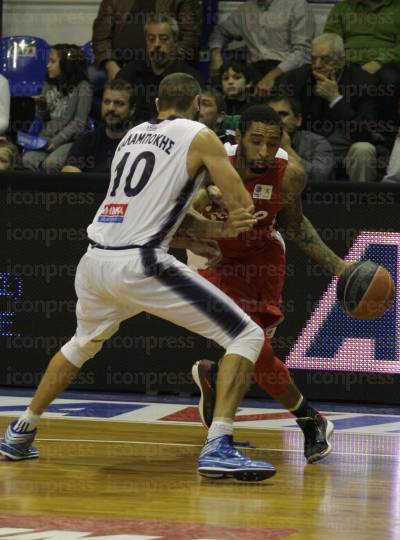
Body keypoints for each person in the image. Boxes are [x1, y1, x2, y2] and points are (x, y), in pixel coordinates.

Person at [0, 73, 276, 482]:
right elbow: (241, 203)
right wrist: (236, 219)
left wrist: (207, 231)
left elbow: (156, 208)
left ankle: (20, 431)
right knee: (246, 336)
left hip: (94, 261)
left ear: (157, 104)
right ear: (199, 103)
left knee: (81, 344)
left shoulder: (130, 137)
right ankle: (219, 445)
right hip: (140, 263)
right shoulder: (201, 135)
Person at [189, 104, 347, 463]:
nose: (263, 151)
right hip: (214, 255)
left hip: (262, 260)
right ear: (240, 137)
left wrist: (339, 266)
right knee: (251, 345)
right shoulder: (211, 161)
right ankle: (310, 421)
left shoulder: (289, 173)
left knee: (254, 353)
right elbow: (178, 213)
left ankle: (218, 380)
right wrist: (200, 203)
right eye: (256, 141)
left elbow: (295, 224)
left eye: (271, 143)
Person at [275, 33, 380, 182]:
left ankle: (361, 202)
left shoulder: (363, 82)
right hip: (309, 146)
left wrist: (335, 99)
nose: (317, 65)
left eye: (325, 59)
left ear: (341, 61)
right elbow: (288, 115)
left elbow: (364, 133)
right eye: (313, 59)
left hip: (345, 147)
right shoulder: (298, 78)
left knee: (363, 149)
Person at [208, 0, 314, 96]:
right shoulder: (245, 9)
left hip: (286, 68)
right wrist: (215, 53)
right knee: (232, 79)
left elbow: (303, 52)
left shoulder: (297, 5)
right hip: (254, 68)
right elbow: (220, 32)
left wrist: (271, 76)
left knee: (292, 81)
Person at [324, 0, 400, 129]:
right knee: (328, 75)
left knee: (389, 80)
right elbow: (330, 40)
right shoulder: (343, 7)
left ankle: (384, 134)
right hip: (347, 61)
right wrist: (340, 60)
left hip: (387, 62)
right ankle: (339, 132)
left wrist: (378, 62)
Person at [117, 15, 204, 123]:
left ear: (175, 42)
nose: (156, 44)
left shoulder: (189, 79)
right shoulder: (129, 74)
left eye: (163, 39)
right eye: (151, 39)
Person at [22, 44, 92, 174]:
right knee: (28, 159)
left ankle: (56, 192)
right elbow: (42, 119)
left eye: (53, 61)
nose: (48, 65)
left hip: (70, 141)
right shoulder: (49, 84)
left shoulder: (83, 87)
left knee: (51, 163)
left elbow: (79, 124)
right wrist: (41, 106)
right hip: (47, 139)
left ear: (67, 65)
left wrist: (55, 142)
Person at [91, 0, 201, 83]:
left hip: (161, 65)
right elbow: (100, 35)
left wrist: (163, 65)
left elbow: (190, 38)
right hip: (117, 64)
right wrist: (110, 65)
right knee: (84, 80)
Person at [62, 80, 135, 173]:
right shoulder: (87, 141)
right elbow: (69, 174)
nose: (110, 108)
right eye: (106, 102)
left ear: (132, 109)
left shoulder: (140, 142)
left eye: (118, 103)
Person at [266, 95, 335, 182]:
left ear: (298, 120)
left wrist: (287, 149)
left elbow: (320, 177)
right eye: (271, 115)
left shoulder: (317, 143)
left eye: (283, 114)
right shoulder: (255, 142)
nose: (276, 120)